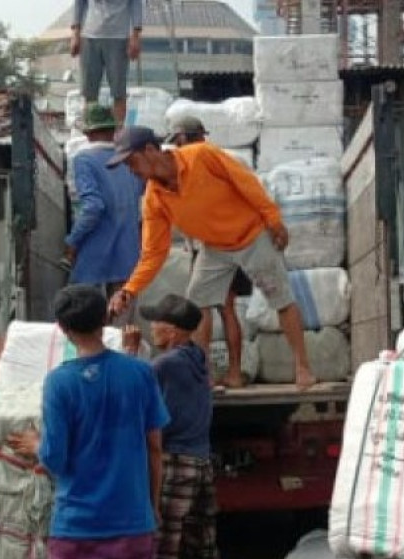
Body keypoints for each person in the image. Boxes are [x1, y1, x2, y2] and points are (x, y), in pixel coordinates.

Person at [8, 285, 169, 559]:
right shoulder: (139, 375)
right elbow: (155, 446)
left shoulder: (59, 383)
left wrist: (37, 445)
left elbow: (57, 459)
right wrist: (151, 504)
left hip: (76, 522)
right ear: (106, 321)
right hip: (132, 518)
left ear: (62, 329)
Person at [106, 126, 317, 390]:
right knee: (195, 306)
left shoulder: (202, 156)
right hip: (214, 247)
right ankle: (202, 374)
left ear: (150, 150)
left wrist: (272, 220)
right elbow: (153, 252)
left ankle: (303, 367)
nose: (130, 170)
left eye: (131, 161)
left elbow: (246, 183)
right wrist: (129, 289)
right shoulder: (154, 199)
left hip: (251, 235)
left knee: (281, 299)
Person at [138, 294, 226, 559]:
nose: (150, 327)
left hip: (175, 462)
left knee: (165, 554)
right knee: (207, 550)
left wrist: (133, 353)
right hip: (203, 462)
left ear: (172, 330)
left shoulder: (165, 364)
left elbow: (137, 390)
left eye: (156, 322)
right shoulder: (198, 357)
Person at [168, 116, 253, 388]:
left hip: (208, 244)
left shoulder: (189, 165)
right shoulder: (226, 160)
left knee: (202, 307)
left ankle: (203, 376)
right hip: (236, 241)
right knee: (228, 308)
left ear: (182, 139)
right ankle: (235, 374)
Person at [65, 104, 145, 297]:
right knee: (120, 322)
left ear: (88, 132)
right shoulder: (130, 159)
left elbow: (93, 207)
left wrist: (72, 242)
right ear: (114, 130)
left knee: (83, 316)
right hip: (128, 254)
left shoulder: (84, 159)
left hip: (94, 253)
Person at [71, 0, 142, 126]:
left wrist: (135, 36)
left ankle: (118, 133)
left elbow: (136, 3)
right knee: (89, 93)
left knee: (118, 93)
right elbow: (80, 3)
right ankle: (91, 131)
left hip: (118, 37)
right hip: (90, 36)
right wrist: (75, 34)